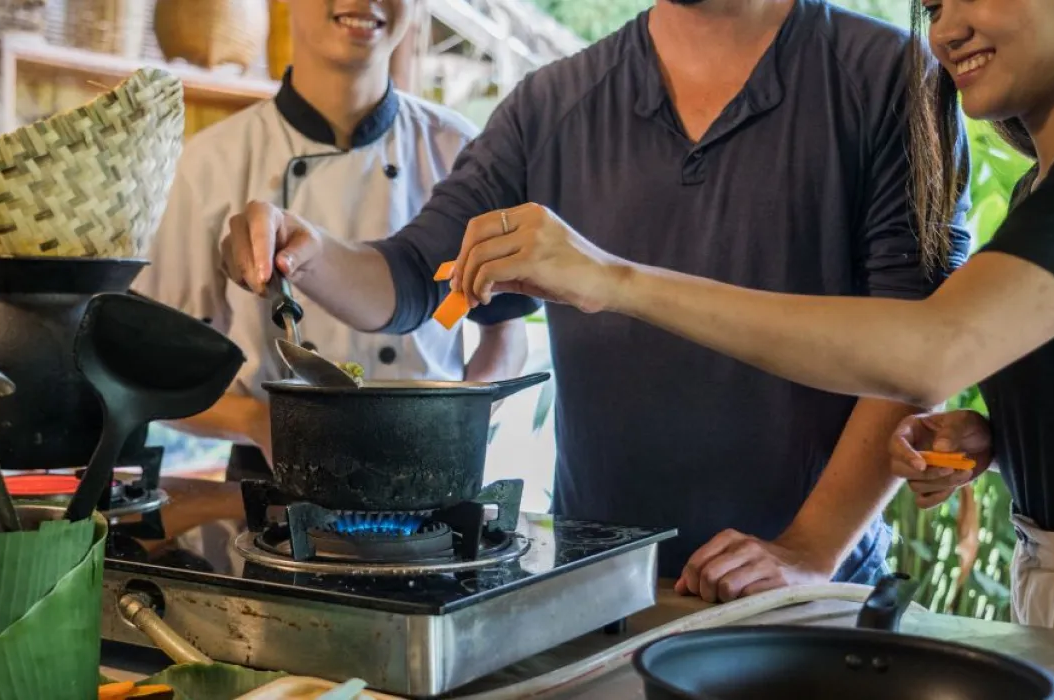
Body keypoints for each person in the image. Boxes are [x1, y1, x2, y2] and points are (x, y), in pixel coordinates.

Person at [448, 0, 1054, 638]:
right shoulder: (1052, 182)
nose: (946, 29)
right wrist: (995, 442)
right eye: (932, 6)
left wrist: (613, 279)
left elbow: (935, 349)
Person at [221, 0, 973, 583]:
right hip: (605, 580)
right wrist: (306, 251)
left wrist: (807, 550)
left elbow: (912, 348)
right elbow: (414, 277)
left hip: (813, 593)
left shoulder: (890, 79)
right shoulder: (552, 104)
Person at [134, 0, 529, 481]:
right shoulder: (208, 164)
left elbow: (505, 330)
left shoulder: (460, 152)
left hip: (429, 473)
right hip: (275, 481)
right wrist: (261, 422)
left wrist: (459, 420)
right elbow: (152, 375)